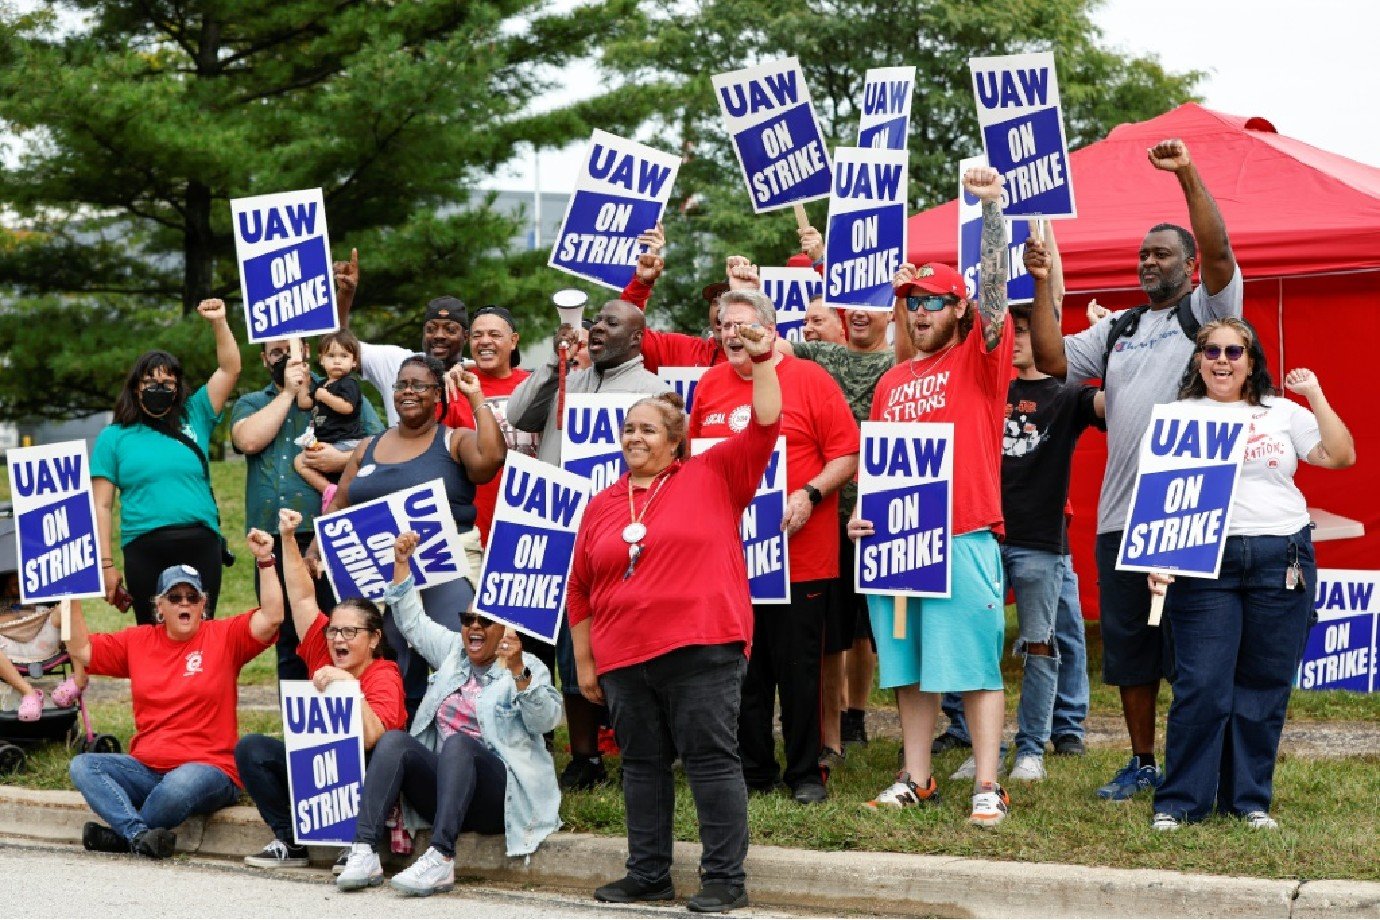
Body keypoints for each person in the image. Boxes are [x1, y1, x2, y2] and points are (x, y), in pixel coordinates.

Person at [1028, 138, 1243, 801]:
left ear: (1187, 265)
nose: (1150, 261)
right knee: (1131, 652)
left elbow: (1221, 252)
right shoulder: (1120, 327)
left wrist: (1186, 173)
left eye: (1162, 253)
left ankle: (1200, 762)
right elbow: (1051, 356)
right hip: (1122, 518)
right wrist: (1043, 282)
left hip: (1186, 510)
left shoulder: (1205, 313)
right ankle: (1143, 762)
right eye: (1144, 254)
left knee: (1194, 652)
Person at [569, 320, 782, 914]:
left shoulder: (713, 475)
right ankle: (649, 873)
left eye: (647, 429)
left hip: (701, 648)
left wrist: (761, 361)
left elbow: (766, 422)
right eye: (628, 428)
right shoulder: (602, 505)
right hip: (622, 659)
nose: (634, 437)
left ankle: (723, 881)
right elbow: (580, 590)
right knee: (641, 766)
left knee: (711, 761)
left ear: (675, 440)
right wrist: (588, 664)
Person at [852, 166, 1012, 826]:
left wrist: (993, 209)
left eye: (932, 302)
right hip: (898, 545)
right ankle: (916, 778)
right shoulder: (891, 385)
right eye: (910, 303)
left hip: (964, 532)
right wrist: (867, 514)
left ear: (957, 310)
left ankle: (987, 784)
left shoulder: (980, 356)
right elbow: (881, 466)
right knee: (908, 670)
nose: (919, 312)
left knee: (973, 668)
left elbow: (999, 294)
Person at [1146, 320, 1354, 831]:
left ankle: (1248, 801)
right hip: (1204, 563)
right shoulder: (1176, 416)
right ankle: (1180, 802)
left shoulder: (1283, 412)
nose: (1222, 360)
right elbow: (1162, 492)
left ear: (1251, 359)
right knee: (1201, 684)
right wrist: (1157, 557)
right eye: (1211, 351)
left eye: (1233, 351)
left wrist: (1315, 394)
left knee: (1263, 684)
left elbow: (1340, 456)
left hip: (1280, 556)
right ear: (1198, 360)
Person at [690, 289, 860, 806]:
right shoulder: (711, 385)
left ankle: (806, 771)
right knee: (743, 672)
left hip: (801, 557)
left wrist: (810, 494)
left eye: (742, 325)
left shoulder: (809, 379)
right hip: (732, 561)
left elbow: (848, 452)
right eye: (723, 325)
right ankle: (754, 768)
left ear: (769, 329)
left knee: (799, 671)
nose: (731, 334)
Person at [335, 531, 561, 896]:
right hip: (446, 791)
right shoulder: (453, 654)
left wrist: (518, 669)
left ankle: (440, 857)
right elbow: (412, 622)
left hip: (497, 799)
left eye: (484, 621)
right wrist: (402, 562)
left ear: (504, 629)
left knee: (458, 744)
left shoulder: (526, 666)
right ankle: (364, 849)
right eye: (467, 618)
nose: (473, 626)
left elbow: (545, 721)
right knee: (395, 741)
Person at [506, 299, 667, 790]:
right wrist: (557, 363)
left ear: (638, 338)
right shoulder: (568, 383)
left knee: (628, 651)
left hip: (624, 536)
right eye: (594, 322)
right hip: (562, 534)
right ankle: (585, 756)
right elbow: (518, 415)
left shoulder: (656, 393)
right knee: (568, 649)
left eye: (610, 323)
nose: (597, 328)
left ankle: (642, 751)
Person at [314, 356, 506, 717]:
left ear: (438, 395)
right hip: (380, 575)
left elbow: (492, 458)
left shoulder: (454, 440)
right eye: (402, 384)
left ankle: (462, 748)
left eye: (419, 385)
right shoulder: (368, 447)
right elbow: (339, 502)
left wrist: (476, 396)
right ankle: (398, 748)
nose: (408, 392)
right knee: (393, 667)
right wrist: (315, 548)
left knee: (461, 660)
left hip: (444, 570)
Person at [65, 554, 280, 858]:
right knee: (84, 765)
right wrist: (68, 592)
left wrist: (266, 562)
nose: (184, 603)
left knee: (179, 785)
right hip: (147, 768)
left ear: (203, 605)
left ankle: (121, 837)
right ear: (159, 607)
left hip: (210, 769)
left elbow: (272, 617)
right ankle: (137, 835)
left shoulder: (224, 637)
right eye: (175, 597)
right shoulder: (137, 641)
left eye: (192, 597)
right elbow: (81, 649)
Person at [235, 509, 407, 869]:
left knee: (376, 752)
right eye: (334, 630)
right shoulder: (322, 647)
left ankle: (359, 842)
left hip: (363, 777)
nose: (338, 639)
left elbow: (377, 741)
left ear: (374, 639)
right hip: (318, 775)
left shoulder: (383, 674)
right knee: (252, 749)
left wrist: (349, 688)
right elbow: (301, 598)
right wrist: (285, 539)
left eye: (349, 632)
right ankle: (290, 841)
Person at [777, 224, 891, 765]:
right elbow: (769, 343)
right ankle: (831, 737)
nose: (862, 312)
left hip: (887, 514)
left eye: (876, 303)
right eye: (856, 304)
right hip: (829, 515)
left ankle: (859, 716)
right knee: (831, 634)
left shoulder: (899, 363)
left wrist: (828, 254)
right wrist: (823, 261)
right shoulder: (821, 357)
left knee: (871, 632)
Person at [232, 338, 384, 681]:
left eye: (292, 350)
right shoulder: (251, 402)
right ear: (263, 359)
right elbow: (248, 441)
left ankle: (349, 724)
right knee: (287, 636)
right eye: (276, 352)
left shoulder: (340, 389)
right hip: (275, 538)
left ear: (308, 352)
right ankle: (299, 730)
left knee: (342, 632)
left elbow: (381, 449)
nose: (285, 358)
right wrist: (289, 392)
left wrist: (341, 459)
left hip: (333, 531)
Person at [93, 298, 241, 625]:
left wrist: (219, 322)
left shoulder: (196, 414)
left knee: (201, 632)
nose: (159, 388)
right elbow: (101, 506)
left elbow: (229, 369)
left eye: (168, 383)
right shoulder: (114, 437)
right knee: (152, 635)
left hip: (199, 541)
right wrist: (106, 565)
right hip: (143, 545)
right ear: (135, 388)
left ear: (178, 389)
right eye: (150, 383)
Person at [333, 248, 469, 427]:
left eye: (450, 330)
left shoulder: (472, 374)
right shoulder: (398, 361)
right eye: (431, 329)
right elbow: (337, 346)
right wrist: (345, 296)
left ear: (466, 336)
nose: (439, 336)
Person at [438, 305, 539, 545]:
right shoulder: (454, 387)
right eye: (477, 335)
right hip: (473, 529)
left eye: (494, 335)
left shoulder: (536, 386)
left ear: (514, 341)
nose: (485, 342)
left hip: (533, 523)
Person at [292, 329, 368, 503]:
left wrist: (323, 395)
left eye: (343, 356)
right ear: (321, 359)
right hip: (327, 442)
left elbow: (347, 407)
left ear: (354, 361)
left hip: (347, 441)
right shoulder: (322, 384)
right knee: (299, 461)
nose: (337, 361)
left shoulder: (349, 383)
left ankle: (343, 493)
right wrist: (304, 380)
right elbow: (304, 403)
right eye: (331, 355)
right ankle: (329, 490)